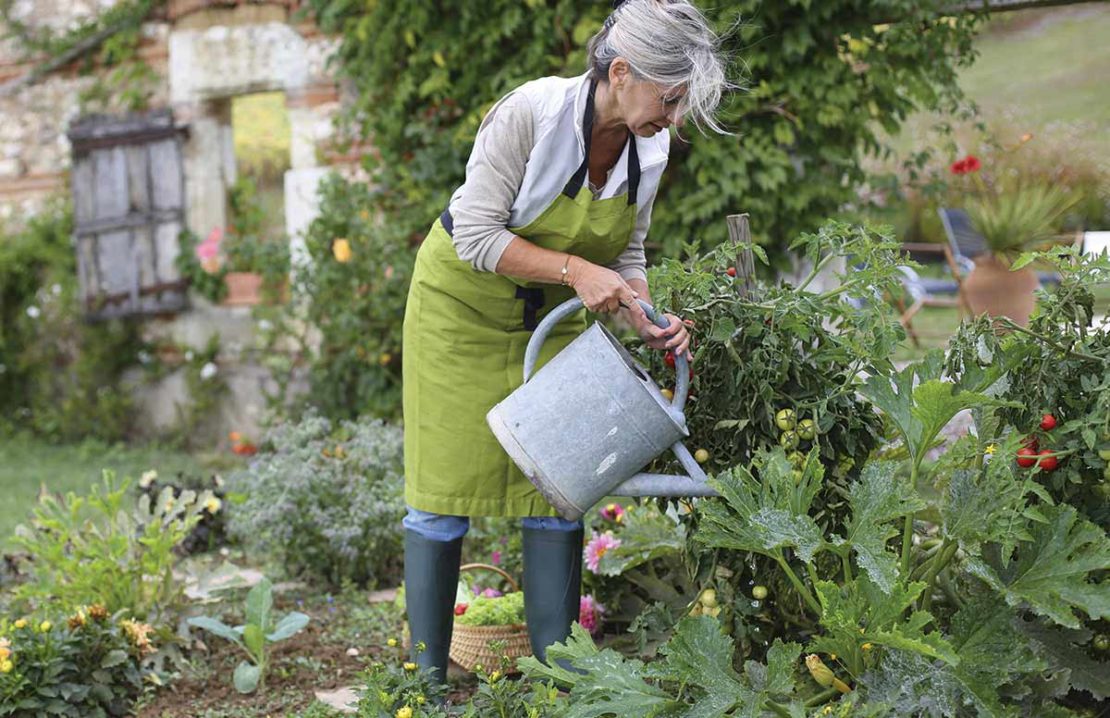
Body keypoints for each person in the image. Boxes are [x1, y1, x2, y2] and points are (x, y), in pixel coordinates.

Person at [401, 0, 729, 685]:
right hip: (458, 314)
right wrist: (578, 271)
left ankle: (558, 683)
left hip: (553, 322)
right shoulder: (529, 116)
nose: (672, 117)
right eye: (669, 98)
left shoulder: (652, 145)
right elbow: (476, 235)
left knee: (562, 487)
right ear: (621, 71)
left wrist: (644, 314)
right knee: (439, 497)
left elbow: (627, 250)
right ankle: (424, 686)